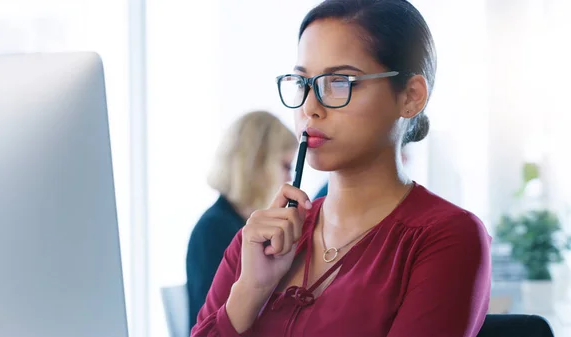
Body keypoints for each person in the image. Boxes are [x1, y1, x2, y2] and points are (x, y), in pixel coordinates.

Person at [191, 1, 492, 336]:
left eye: (340, 82)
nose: (309, 108)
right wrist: (250, 290)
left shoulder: (446, 238)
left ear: (410, 96)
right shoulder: (257, 241)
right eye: (302, 83)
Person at [186, 110, 298, 329]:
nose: (290, 178)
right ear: (257, 164)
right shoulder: (213, 230)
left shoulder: (243, 225)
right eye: (285, 166)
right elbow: (213, 321)